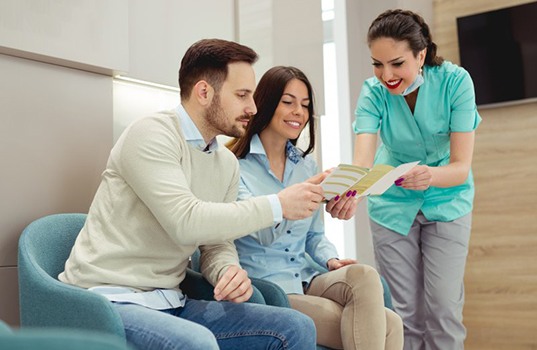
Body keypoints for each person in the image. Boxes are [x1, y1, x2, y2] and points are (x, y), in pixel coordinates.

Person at [59, 39, 323, 350]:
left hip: (172, 300)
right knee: (196, 343)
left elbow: (216, 242)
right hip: (110, 300)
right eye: (242, 95)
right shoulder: (151, 135)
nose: (252, 108)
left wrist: (226, 269)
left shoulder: (224, 162)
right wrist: (277, 205)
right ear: (203, 92)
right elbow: (186, 221)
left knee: (295, 327)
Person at [228, 65, 404, 350]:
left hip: (309, 277)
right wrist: (295, 198)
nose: (299, 111)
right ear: (266, 103)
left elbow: (314, 236)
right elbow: (261, 234)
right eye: (288, 102)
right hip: (271, 287)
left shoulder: (305, 164)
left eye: (305, 105)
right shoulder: (234, 167)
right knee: (389, 326)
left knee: (366, 276)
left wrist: (331, 260)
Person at [352, 9, 482, 350]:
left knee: (443, 309)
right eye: (377, 65)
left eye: (397, 63)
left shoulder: (456, 82)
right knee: (403, 315)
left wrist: (429, 175)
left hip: (447, 201)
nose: (386, 75)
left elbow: (460, 167)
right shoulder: (372, 92)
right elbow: (362, 161)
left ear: (420, 54)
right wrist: (350, 191)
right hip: (392, 206)